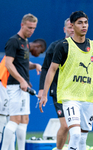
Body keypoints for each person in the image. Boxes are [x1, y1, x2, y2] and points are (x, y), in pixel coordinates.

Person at [39, 11, 93, 150]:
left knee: (82, 140)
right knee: (75, 135)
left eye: (86, 22)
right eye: (80, 23)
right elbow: (51, 70)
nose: (84, 26)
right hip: (69, 96)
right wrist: (44, 93)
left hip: (88, 97)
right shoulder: (63, 46)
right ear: (72, 25)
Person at [1, 13, 41, 150]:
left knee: (25, 120)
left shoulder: (25, 43)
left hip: (23, 87)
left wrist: (35, 65)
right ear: (22, 25)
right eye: (29, 27)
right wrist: (21, 80)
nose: (31, 31)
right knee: (15, 120)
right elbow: (9, 64)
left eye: (34, 28)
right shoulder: (13, 41)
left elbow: (23, 63)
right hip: (14, 86)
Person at [37, 18, 74, 150]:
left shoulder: (84, 46)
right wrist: (42, 89)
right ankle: (59, 149)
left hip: (77, 91)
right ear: (65, 29)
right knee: (65, 126)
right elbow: (46, 68)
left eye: (74, 26)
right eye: (70, 27)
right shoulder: (56, 46)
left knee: (75, 127)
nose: (72, 29)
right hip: (59, 91)